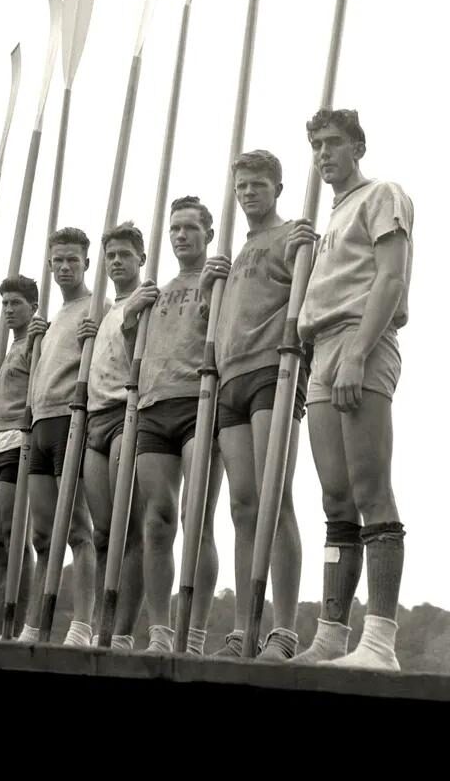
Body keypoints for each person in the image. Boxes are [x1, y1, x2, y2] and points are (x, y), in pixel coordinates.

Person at [290, 108, 413, 671]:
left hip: (361, 338)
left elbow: (390, 277)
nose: (323, 154)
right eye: (316, 145)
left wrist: (358, 353)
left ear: (357, 146)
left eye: (333, 143)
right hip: (320, 352)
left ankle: (380, 641)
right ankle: (332, 634)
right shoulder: (330, 219)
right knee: (335, 499)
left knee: (370, 492)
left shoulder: (381, 194)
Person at [200, 150, 306, 661]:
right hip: (230, 380)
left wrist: (314, 250)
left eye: (258, 184)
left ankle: (283, 630)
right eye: (241, 185)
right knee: (242, 506)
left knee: (273, 496)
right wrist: (206, 286)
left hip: (273, 369)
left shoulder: (294, 237)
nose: (248, 193)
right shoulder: (233, 254)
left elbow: (314, 295)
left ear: (278, 188)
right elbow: (210, 320)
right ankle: (245, 626)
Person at [133, 196, 223, 655]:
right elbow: (132, 348)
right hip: (153, 405)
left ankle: (195, 634)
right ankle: (160, 632)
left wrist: (212, 292)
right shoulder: (157, 290)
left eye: (190, 227)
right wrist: (131, 313)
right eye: (174, 229)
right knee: (157, 522)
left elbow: (231, 331)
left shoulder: (218, 279)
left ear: (208, 232)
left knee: (195, 518)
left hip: (198, 402)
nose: (181, 236)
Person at [20, 227, 99, 647]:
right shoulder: (47, 323)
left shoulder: (95, 306)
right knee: (41, 536)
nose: (64, 267)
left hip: (72, 421)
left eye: (72, 259)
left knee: (78, 530)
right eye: (57, 261)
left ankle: (82, 625)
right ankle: (36, 624)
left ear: (86, 263)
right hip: (40, 426)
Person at [78, 221, 148, 650]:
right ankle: (101, 629)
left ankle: (122, 633)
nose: (117, 261)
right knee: (102, 533)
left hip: (127, 413)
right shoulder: (102, 312)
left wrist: (134, 315)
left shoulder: (145, 299)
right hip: (95, 419)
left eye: (125, 254)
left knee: (131, 530)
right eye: (111, 256)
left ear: (141, 258)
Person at [0, 277, 38, 639]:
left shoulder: (35, 339)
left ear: (32, 306)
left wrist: (37, 337)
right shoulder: (6, 347)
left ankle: (16, 625)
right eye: (4, 304)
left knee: (15, 534)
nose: (8, 310)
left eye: (15, 303)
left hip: (18, 440)